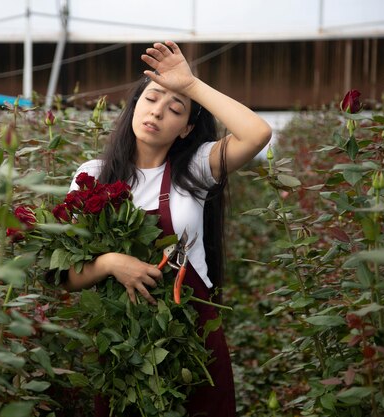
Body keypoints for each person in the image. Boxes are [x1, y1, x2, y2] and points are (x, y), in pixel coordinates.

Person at [64, 40, 272, 417]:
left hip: (193, 337)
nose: (158, 112)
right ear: (134, 107)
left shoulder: (194, 167)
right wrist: (111, 263)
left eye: (174, 109)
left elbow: (257, 134)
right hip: (122, 343)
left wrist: (190, 85)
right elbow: (64, 274)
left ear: (186, 127)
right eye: (151, 100)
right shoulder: (92, 175)